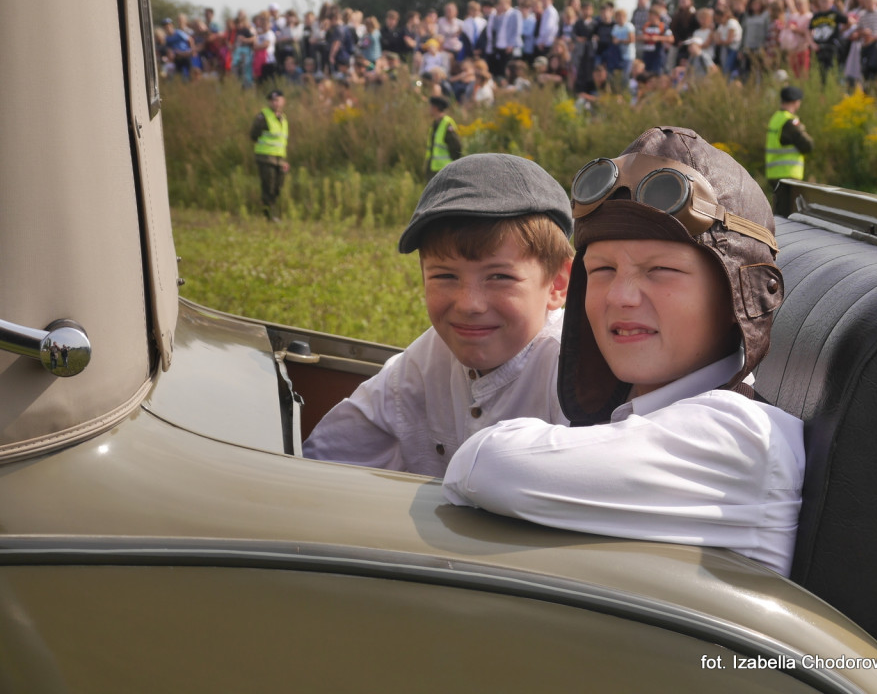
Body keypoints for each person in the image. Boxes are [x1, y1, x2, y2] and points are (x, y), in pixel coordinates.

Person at [441, 127, 805, 577]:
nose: (621, 296)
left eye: (661, 270)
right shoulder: (642, 418)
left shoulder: (739, 440)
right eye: (603, 269)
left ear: (742, 296)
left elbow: (486, 467)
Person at [304, 154, 574, 475]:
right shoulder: (426, 360)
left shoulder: (572, 377)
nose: (468, 304)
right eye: (445, 276)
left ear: (557, 284)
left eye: (499, 277)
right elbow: (326, 455)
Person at [250, 90, 290, 221]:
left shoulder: (283, 119)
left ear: (283, 101)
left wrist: (284, 161)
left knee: (278, 187)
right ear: (269, 102)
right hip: (265, 157)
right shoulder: (263, 117)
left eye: (278, 100)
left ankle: (271, 212)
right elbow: (253, 135)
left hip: (279, 159)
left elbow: (282, 142)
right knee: (269, 186)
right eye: (273, 101)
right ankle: (269, 216)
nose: (275, 103)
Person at [766, 85, 813, 185]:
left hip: (773, 173)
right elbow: (808, 145)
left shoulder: (775, 118)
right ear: (795, 102)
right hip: (788, 174)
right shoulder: (789, 121)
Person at [424, 96, 461, 181]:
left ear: (435, 108)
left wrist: (452, 166)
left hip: (445, 170)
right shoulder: (435, 124)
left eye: (431, 106)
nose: (429, 109)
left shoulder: (446, 124)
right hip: (434, 169)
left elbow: (456, 147)